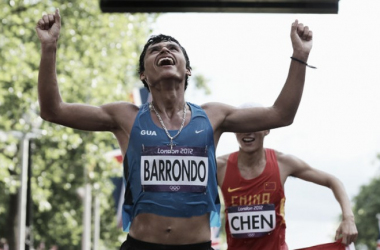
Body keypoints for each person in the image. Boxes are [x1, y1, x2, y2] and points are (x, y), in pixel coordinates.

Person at [36, 8, 313, 250]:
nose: (164, 51)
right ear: (144, 75)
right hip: (141, 246)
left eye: (172, 48)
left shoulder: (213, 115)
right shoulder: (125, 116)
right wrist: (49, 48)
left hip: (198, 246)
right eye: (155, 50)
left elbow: (281, 114)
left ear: (187, 70)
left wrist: (299, 56)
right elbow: (53, 110)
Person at [217, 103, 358, 250]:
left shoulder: (283, 163)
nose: (248, 131)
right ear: (233, 130)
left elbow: (333, 181)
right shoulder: (219, 167)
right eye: (242, 126)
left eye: (255, 124)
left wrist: (349, 218)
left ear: (267, 129)